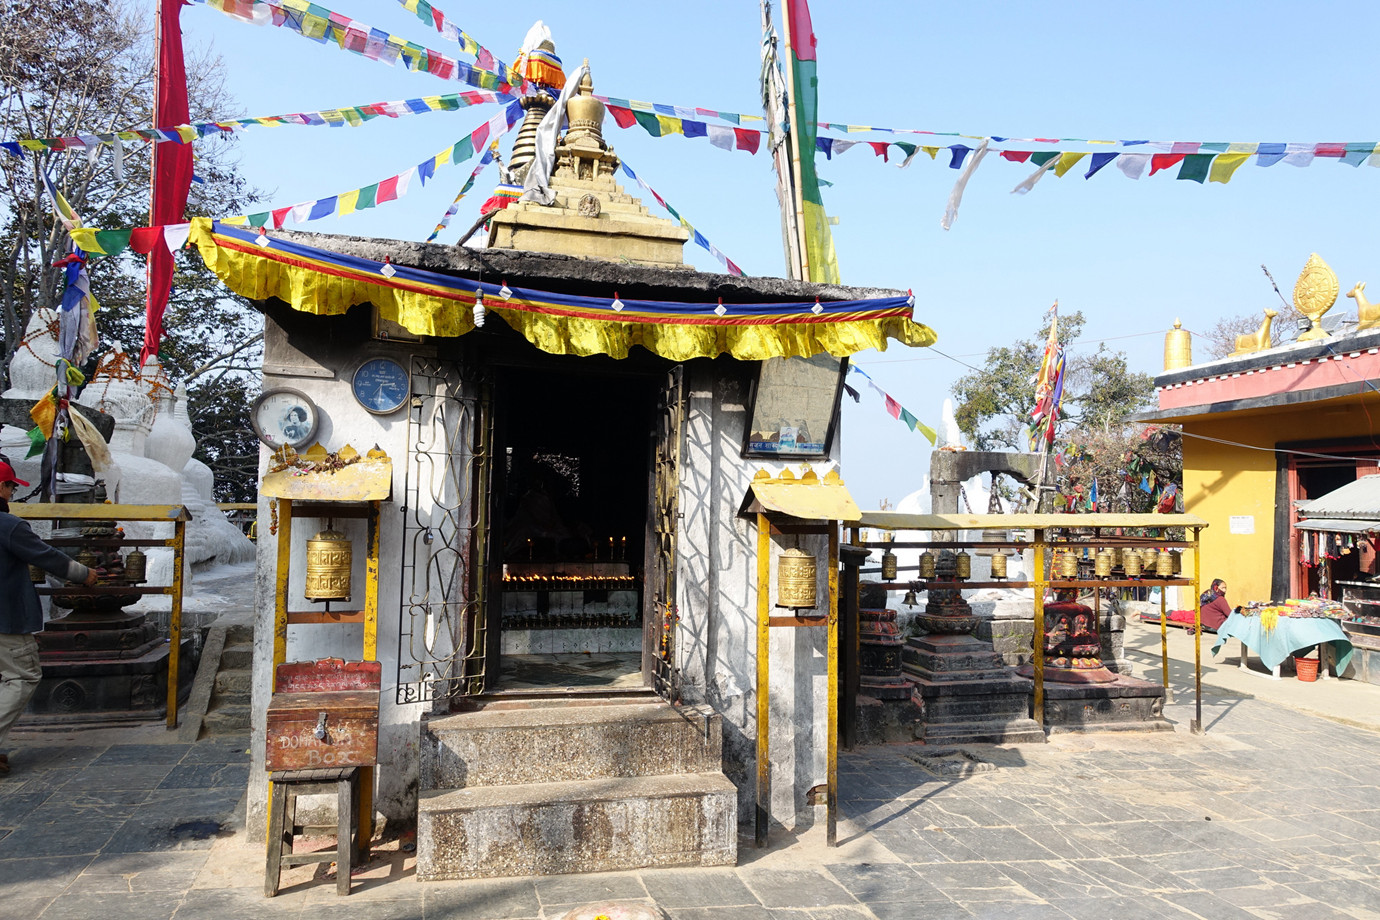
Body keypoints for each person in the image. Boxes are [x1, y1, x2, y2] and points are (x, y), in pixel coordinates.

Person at [0, 460, 97, 776]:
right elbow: (46, 557)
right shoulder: (9, 526)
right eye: (11, 486)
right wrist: (83, 574)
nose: (13, 491)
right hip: (5, 619)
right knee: (23, 676)